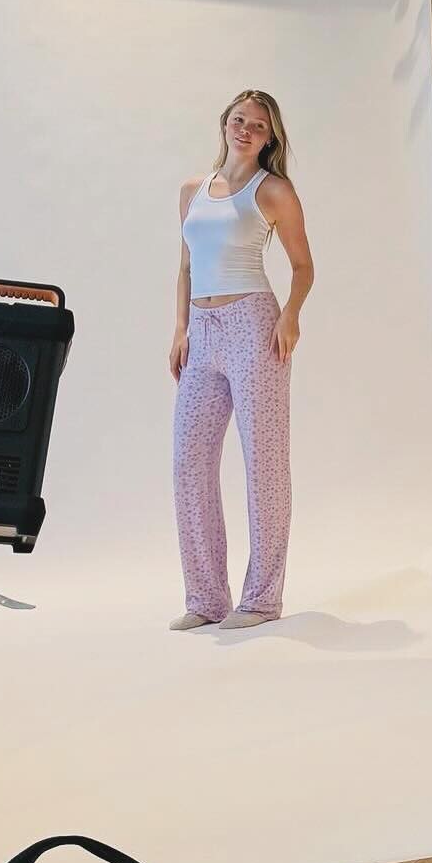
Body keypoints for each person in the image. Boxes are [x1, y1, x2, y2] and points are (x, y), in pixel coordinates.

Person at [169, 89, 314, 632]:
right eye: (239, 120)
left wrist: (290, 315)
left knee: (264, 463)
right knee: (189, 462)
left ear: (270, 137)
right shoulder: (192, 191)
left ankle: (261, 600)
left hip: (254, 326)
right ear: (224, 123)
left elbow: (303, 266)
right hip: (202, 332)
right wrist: (180, 328)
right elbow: (186, 265)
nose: (246, 130)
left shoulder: (272, 191)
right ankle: (206, 599)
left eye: (258, 125)